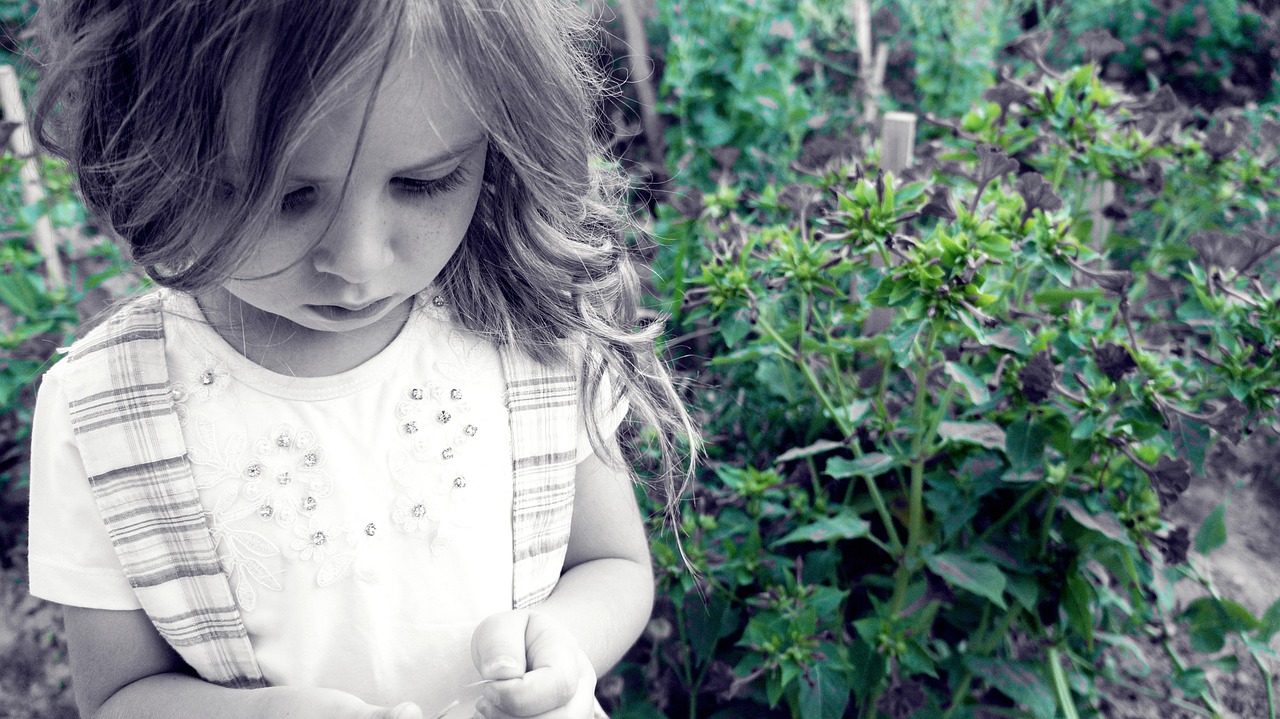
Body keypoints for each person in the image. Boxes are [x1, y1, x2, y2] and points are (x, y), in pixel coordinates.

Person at [25, 1, 694, 717]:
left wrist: (558, 642)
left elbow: (612, 564)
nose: (358, 261)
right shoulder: (104, 410)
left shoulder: (530, 328)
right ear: (151, 152)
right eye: (286, 197)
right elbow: (119, 694)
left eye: (425, 181)